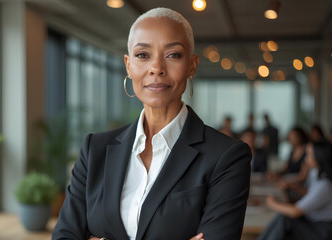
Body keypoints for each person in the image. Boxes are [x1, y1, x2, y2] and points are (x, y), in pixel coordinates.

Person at [52, 8, 252, 240]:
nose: (156, 68)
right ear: (128, 65)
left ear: (192, 65)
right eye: (142, 55)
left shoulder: (226, 157)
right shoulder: (94, 150)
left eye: (173, 55)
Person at [257, 141, 332, 240]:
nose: (306, 159)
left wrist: (271, 203)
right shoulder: (317, 173)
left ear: (319, 158)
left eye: (309, 155)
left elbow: (295, 211)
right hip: (311, 221)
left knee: (284, 219)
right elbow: (310, 195)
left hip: (320, 229)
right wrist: (293, 186)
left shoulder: (325, 184)